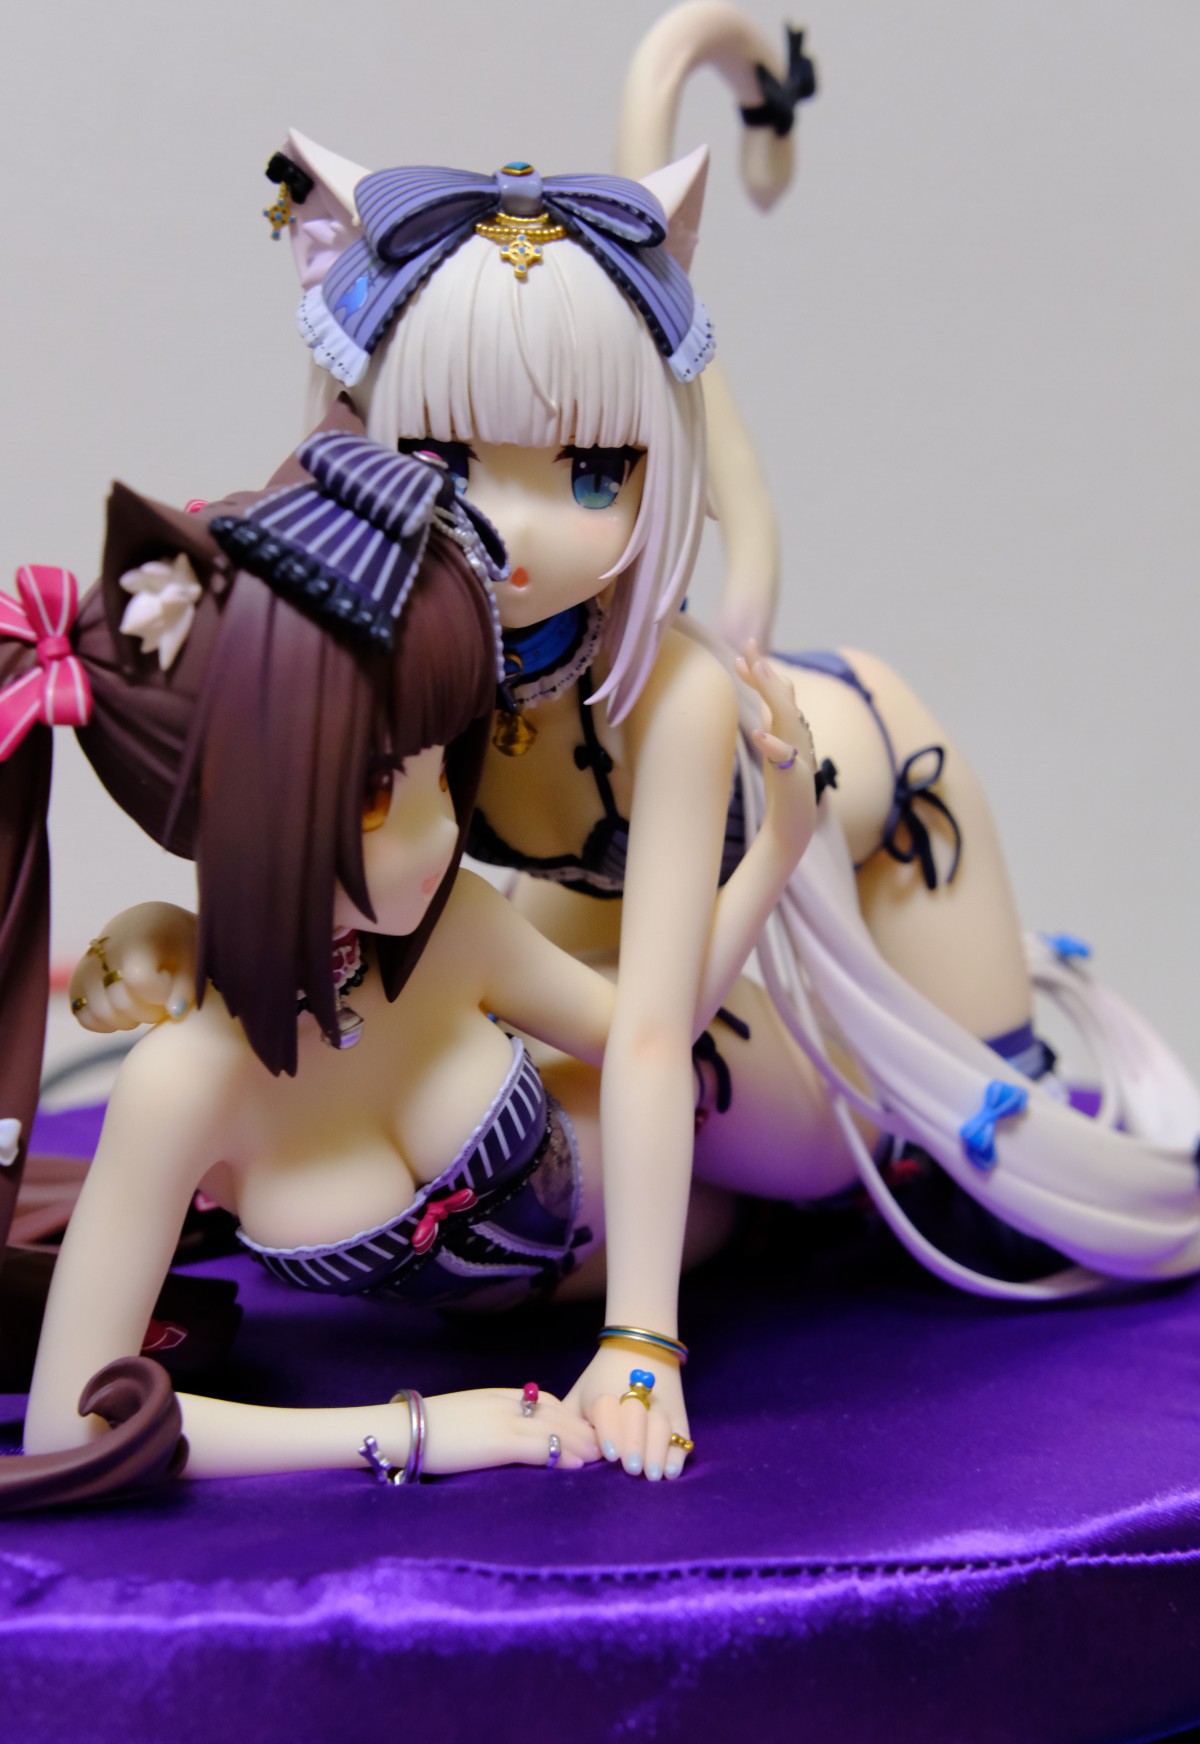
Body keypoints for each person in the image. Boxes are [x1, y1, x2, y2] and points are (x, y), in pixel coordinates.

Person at [69, 11, 1200, 1481]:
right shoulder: (399, 633)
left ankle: (931, 1117)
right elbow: (327, 817)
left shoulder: (670, 700)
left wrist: (642, 1344)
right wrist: (200, 930)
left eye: (593, 470)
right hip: (598, 922)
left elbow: (652, 1031)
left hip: (864, 818)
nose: (519, 530)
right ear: (356, 423)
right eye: (447, 459)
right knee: (570, 1102)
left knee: (925, 1179)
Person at [9, 419, 817, 1502]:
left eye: (447, 766)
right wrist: (416, 1430)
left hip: (720, 1141)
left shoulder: (454, 927)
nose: (444, 831)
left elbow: (651, 1033)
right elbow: (73, 1418)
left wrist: (779, 845)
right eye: (379, 794)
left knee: (859, 1152)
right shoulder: (185, 1082)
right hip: (625, 1275)